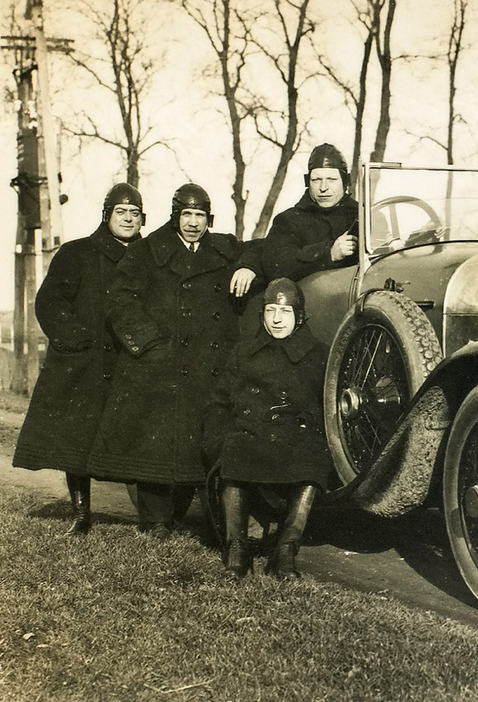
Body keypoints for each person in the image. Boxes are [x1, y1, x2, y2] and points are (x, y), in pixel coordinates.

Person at [87, 183, 250, 538]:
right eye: (186, 215)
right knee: (155, 446)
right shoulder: (146, 251)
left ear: (210, 218)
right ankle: (156, 521)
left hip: (210, 366)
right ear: (175, 215)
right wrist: (148, 343)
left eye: (200, 216)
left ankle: (214, 524)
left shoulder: (225, 248)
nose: (193, 223)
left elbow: (266, 253)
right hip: (160, 365)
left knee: (204, 444)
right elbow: (120, 299)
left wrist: (249, 267)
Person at [12, 182, 145, 535]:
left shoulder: (149, 257)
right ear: (107, 216)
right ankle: (82, 515)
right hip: (86, 364)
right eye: (121, 212)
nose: (128, 219)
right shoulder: (78, 253)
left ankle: (152, 518)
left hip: (130, 362)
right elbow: (49, 302)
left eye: (134, 213)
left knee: (137, 436)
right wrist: (75, 338)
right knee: (78, 440)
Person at [203, 277, 330, 580]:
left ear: (299, 317)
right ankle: (237, 551)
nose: (276, 319)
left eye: (285, 313)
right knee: (233, 450)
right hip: (249, 433)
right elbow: (218, 402)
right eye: (271, 310)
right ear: (262, 314)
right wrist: (216, 437)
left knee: (313, 460)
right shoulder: (244, 352)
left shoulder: (319, 355)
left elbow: (326, 405)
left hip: (293, 437)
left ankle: (285, 553)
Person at [230, 142, 358, 297]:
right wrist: (328, 253)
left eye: (331, 179)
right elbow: (277, 267)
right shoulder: (289, 220)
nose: (323, 187)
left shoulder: (362, 217)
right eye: (316, 180)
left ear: (345, 182)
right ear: (308, 182)